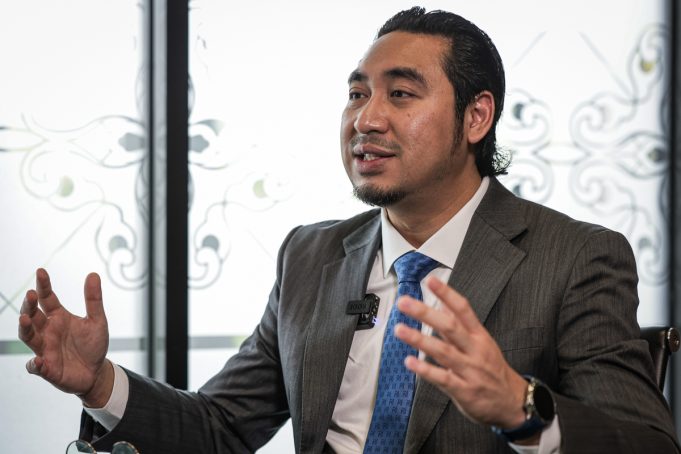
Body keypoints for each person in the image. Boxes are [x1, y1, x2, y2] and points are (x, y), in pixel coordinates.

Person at [18, 7, 679, 454]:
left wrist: (519, 404)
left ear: (476, 117)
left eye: (401, 94)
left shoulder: (575, 258)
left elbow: (647, 444)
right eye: (357, 94)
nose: (365, 119)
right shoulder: (310, 256)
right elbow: (221, 429)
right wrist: (99, 383)